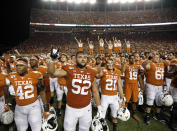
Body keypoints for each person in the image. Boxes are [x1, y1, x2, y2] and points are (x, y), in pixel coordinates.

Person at [48, 51, 103, 131]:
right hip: (71, 108)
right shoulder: (69, 69)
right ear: (75, 59)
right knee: (68, 129)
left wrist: (99, 107)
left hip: (86, 107)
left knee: (85, 129)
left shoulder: (91, 72)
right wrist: (52, 60)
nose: (83, 59)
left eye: (84, 57)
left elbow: (95, 91)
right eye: (80, 57)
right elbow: (53, 72)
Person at [4, 58, 50, 131]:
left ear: (27, 66)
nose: (18, 67)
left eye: (21, 65)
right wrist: (6, 103)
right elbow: (5, 90)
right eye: (17, 65)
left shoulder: (36, 74)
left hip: (33, 106)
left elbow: (42, 91)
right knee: (21, 129)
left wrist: (46, 108)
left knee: (37, 128)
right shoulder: (11, 76)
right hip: (19, 107)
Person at [98, 59, 125, 131]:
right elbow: (98, 75)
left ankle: (114, 128)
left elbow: (119, 86)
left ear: (114, 64)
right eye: (108, 63)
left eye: (111, 63)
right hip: (105, 96)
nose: (110, 65)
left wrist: (122, 98)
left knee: (115, 115)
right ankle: (101, 128)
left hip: (114, 96)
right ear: (106, 64)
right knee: (102, 116)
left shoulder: (117, 72)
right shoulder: (104, 71)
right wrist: (100, 66)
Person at [142, 53, 165, 125]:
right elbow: (144, 65)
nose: (156, 58)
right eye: (155, 57)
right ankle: (147, 116)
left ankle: (157, 115)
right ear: (152, 58)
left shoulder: (162, 64)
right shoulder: (150, 63)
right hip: (151, 85)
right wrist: (148, 59)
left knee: (159, 101)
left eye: (158, 57)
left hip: (160, 86)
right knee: (150, 100)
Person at [121, 55, 144, 121]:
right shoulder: (126, 65)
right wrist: (124, 64)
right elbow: (122, 71)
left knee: (134, 100)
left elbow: (139, 77)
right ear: (129, 59)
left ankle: (134, 114)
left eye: (133, 58)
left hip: (135, 85)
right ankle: (125, 113)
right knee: (126, 100)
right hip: (127, 85)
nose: (132, 60)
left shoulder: (138, 66)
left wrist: (142, 88)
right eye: (131, 58)